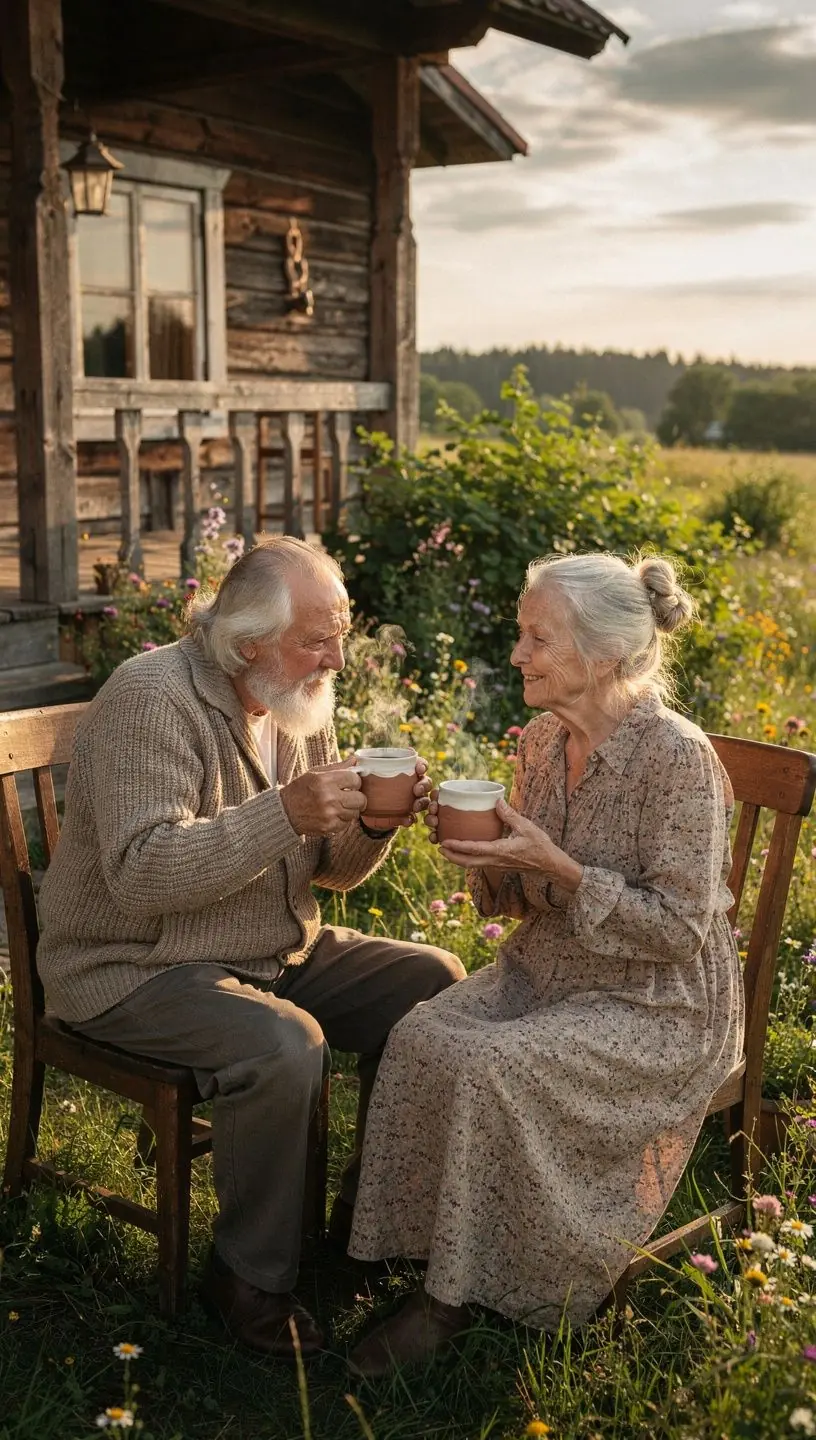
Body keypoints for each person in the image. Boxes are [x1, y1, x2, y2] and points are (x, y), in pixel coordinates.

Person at [37, 536, 464, 1357]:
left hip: (269, 947)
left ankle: (363, 1226)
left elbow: (328, 875)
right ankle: (248, 1279)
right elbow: (140, 873)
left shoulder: (295, 698)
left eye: (340, 633)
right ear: (245, 640)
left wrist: (372, 822)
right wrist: (286, 814)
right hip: (132, 962)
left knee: (433, 982)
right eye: (316, 639)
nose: (336, 657)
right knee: (283, 1044)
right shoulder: (150, 698)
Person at [347, 552, 744, 1376]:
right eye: (521, 633)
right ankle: (407, 1245)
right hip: (548, 970)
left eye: (537, 637)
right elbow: (516, 903)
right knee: (419, 1035)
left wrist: (560, 868)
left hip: (656, 1004)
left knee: (490, 1064)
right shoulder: (539, 737)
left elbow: (680, 931)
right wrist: (488, 863)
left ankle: (449, 1302)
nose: (518, 653)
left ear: (603, 655)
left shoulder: (678, 759)